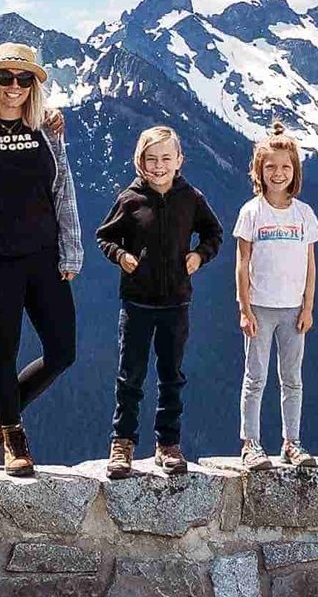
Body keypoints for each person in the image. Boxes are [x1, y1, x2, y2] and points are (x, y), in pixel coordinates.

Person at [0, 41, 80, 477]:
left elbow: (63, 193)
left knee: (63, 351)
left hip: (46, 257)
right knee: (5, 352)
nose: (14, 87)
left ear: (35, 85)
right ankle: (13, 437)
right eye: (5, 78)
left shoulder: (48, 131)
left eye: (24, 78)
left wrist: (71, 249)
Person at [94, 124, 222, 478]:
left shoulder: (191, 198)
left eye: (166, 158)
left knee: (171, 376)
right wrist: (120, 256)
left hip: (176, 302)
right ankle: (122, 443)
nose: (159, 165)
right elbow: (104, 236)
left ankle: (168, 443)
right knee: (130, 376)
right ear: (140, 162)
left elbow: (214, 232)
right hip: (136, 303)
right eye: (151, 159)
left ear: (179, 160)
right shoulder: (129, 199)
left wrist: (199, 256)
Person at [232, 122, 318, 469]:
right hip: (259, 308)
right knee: (255, 377)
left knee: (292, 379)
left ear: (295, 170)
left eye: (285, 167)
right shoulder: (251, 212)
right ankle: (250, 443)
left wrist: (309, 307)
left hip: (293, 310)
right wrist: (244, 308)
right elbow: (242, 263)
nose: (278, 173)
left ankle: (292, 442)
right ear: (259, 170)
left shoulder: (304, 214)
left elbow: (311, 266)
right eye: (270, 166)